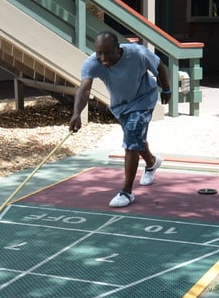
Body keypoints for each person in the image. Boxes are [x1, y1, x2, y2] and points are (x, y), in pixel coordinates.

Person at [69, 31, 171, 208]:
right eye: (99, 53)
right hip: (120, 106)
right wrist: (76, 113)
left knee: (132, 137)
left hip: (144, 98)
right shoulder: (92, 63)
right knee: (135, 139)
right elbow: (84, 89)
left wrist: (167, 89)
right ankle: (152, 162)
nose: (103, 58)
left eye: (108, 53)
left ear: (118, 49)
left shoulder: (137, 53)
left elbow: (159, 65)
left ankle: (126, 192)